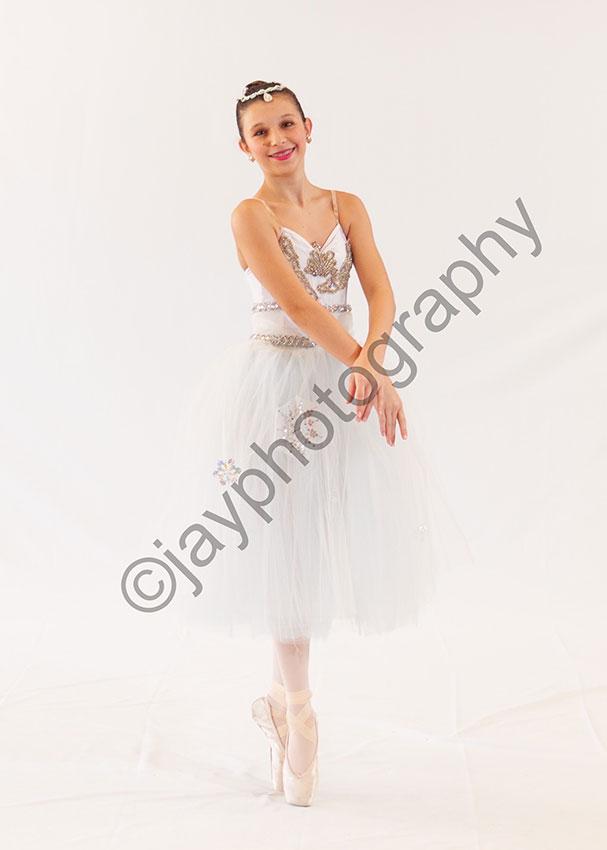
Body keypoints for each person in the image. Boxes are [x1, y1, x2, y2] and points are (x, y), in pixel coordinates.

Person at [164, 79, 471, 807]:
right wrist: (363, 364)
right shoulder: (249, 215)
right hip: (274, 392)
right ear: (243, 147)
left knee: (316, 540)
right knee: (287, 546)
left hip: (343, 382)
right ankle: (299, 714)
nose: (277, 139)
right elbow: (299, 306)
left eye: (286, 124)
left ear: (309, 127)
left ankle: (281, 706)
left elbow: (381, 293)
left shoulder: (347, 206)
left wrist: (374, 360)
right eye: (260, 132)